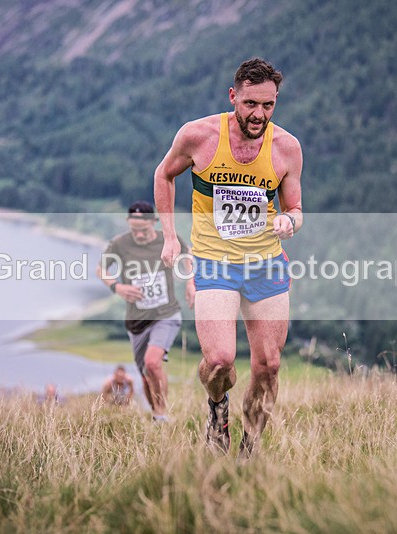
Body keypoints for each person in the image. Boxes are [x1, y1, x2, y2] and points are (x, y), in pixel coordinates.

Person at [154, 58, 303, 458]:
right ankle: (217, 408)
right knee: (219, 361)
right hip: (214, 262)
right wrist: (169, 237)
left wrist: (289, 221)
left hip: (266, 263)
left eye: (268, 105)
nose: (259, 115)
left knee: (268, 366)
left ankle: (248, 450)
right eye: (251, 104)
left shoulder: (286, 148)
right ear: (233, 96)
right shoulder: (199, 136)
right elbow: (164, 174)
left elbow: (296, 208)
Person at [96, 201, 194, 422]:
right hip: (137, 321)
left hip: (166, 314)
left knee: (152, 363)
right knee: (145, 375)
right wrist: (117, 287)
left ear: (154, 222)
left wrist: (190, 283)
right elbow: (100, 269)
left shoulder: (167, 239)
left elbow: (188, 255)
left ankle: (161, 414)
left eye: (143, 229)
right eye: (134, 230)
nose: (139, 234)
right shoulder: (120, 244)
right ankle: (156, 414)